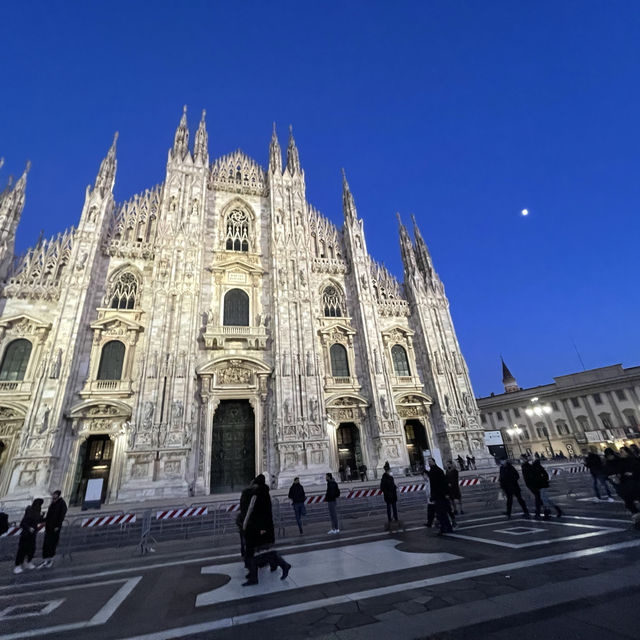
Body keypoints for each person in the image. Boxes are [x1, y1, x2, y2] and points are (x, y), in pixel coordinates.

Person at [242, 474, 290, 586]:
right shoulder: (261, 493)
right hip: (259, 527)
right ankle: (281, 565)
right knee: (260, 551)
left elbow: (263, 512)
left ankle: (254, 576)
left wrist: (262, 528)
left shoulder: (261, 494)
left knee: (257, 552)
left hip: (261, 528)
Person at [38, 490, 67, 569]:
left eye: (54, 494)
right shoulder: (53, 502)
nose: (52, 496)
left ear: (57, 495)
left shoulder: (62, 503)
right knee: (46, 543)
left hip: (55, 528)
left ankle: (50, 559)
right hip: (49, 527)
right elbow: (49, 514)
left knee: (52, 543)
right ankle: (46, 559)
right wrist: (43, 519)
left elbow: (61, 516)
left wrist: (58, 525)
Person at [14, 498, 44, 574]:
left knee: (31, 549)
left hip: (32, 535)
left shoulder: (37, 511)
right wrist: (29, 528)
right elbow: (23, 523)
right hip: (26, 535)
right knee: (22, 550)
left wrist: (43, 517)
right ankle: (17, 566)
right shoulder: (30, 511)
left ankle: (27, 562)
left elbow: (37, 520)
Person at [426, 458, 453, 534]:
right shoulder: (433, 471)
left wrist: (446, 493)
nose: (429, 463)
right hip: (438, 494)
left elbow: (443, 483)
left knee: (441, 513)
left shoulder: (438, 471)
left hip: (440, 495)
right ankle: (447, 527)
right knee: (441, 513)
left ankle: (445, 528)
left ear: (434, 462)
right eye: (428, 462)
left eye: (430, 462)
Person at [380, 461, 399, 527]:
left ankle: (395, 517)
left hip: (393, 494)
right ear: (387, 471)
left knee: (394, 507)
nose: (390, 471)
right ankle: (390, 519)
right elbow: (382, 487)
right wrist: (387, 492)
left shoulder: (391, 477)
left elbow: (392, 484)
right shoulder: (384, 477)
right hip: (388, 495)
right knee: (389, 507)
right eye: (389, 470)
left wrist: (395, 487)